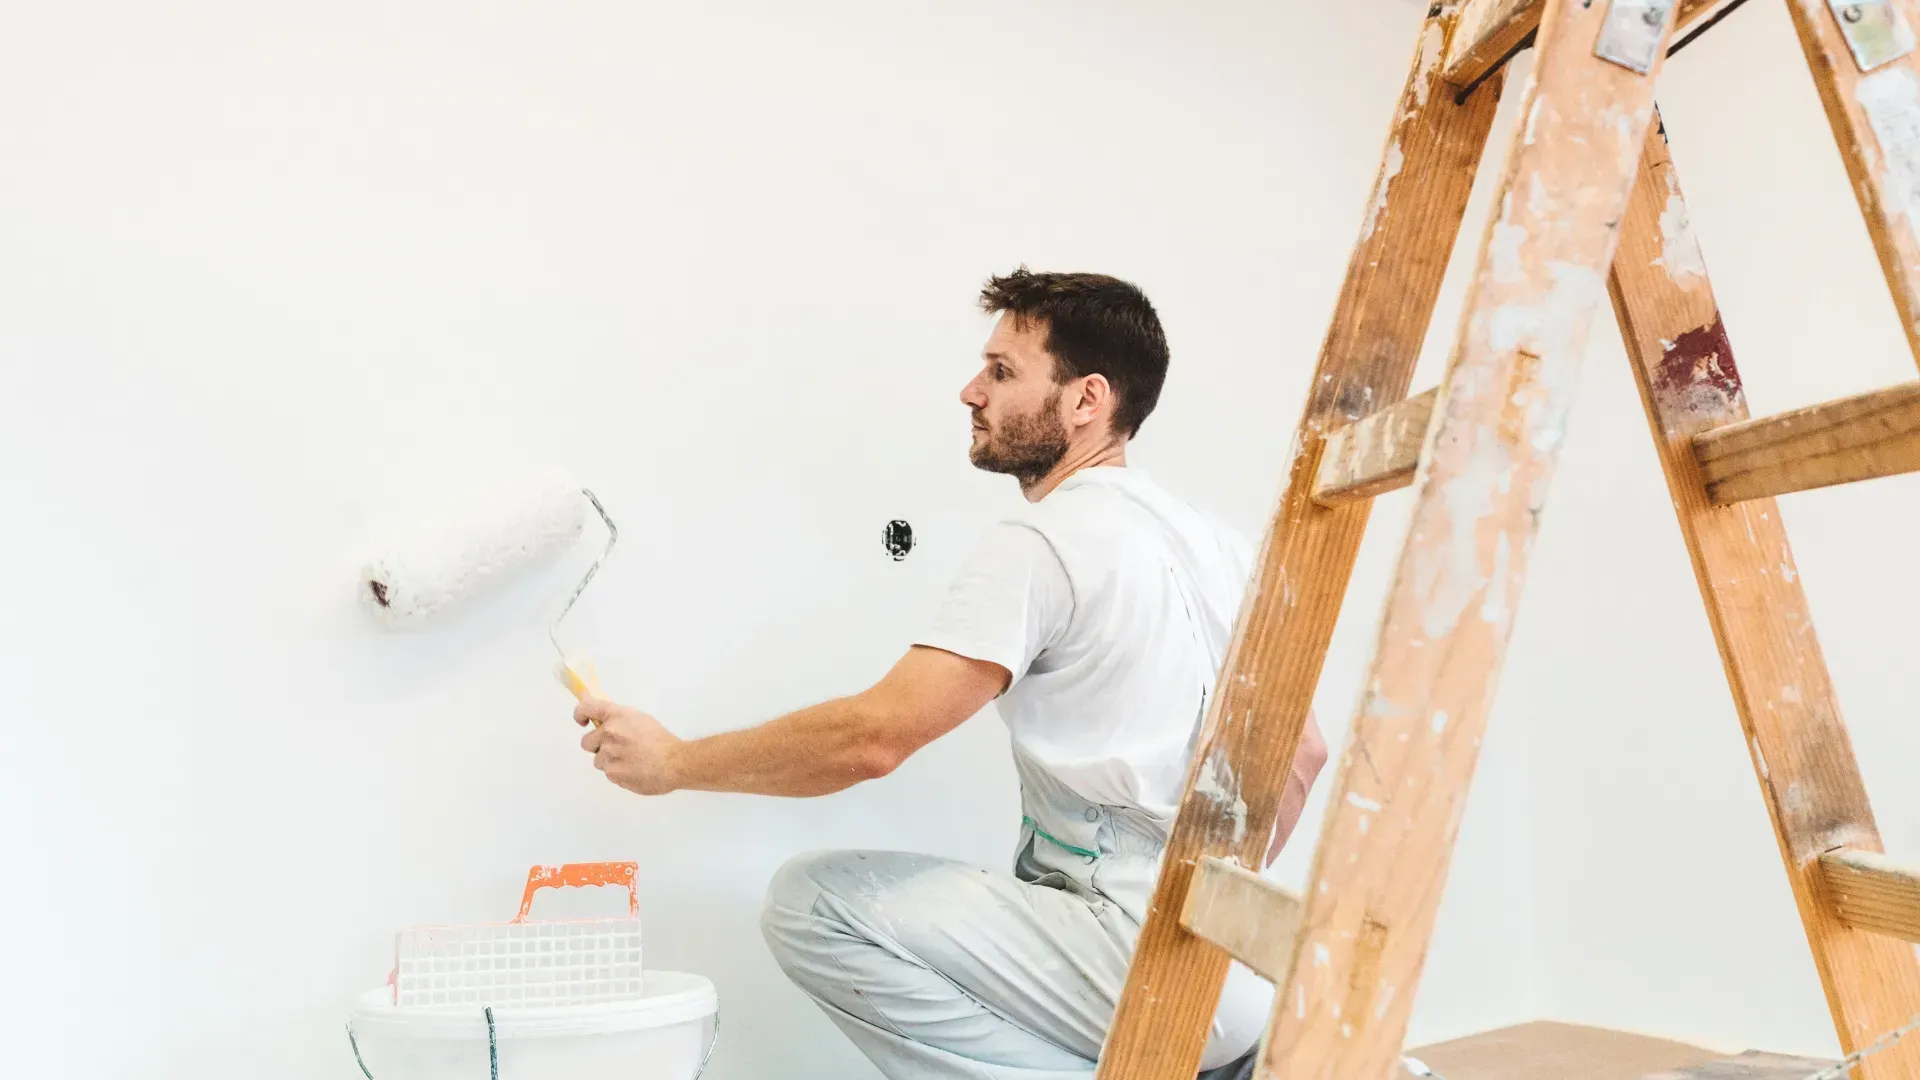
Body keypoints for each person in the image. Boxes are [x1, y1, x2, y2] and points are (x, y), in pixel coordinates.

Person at [574, 268, 1329, 1079]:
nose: (972, 391)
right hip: (1235, 969)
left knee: (813, 904)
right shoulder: (1220, 545)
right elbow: (1305, 755)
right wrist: (1209, 913)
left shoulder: (1045, 543)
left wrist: (674, 762)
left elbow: (874, 738)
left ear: (1087, 401)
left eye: (1003, 371)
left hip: (1128, 957)